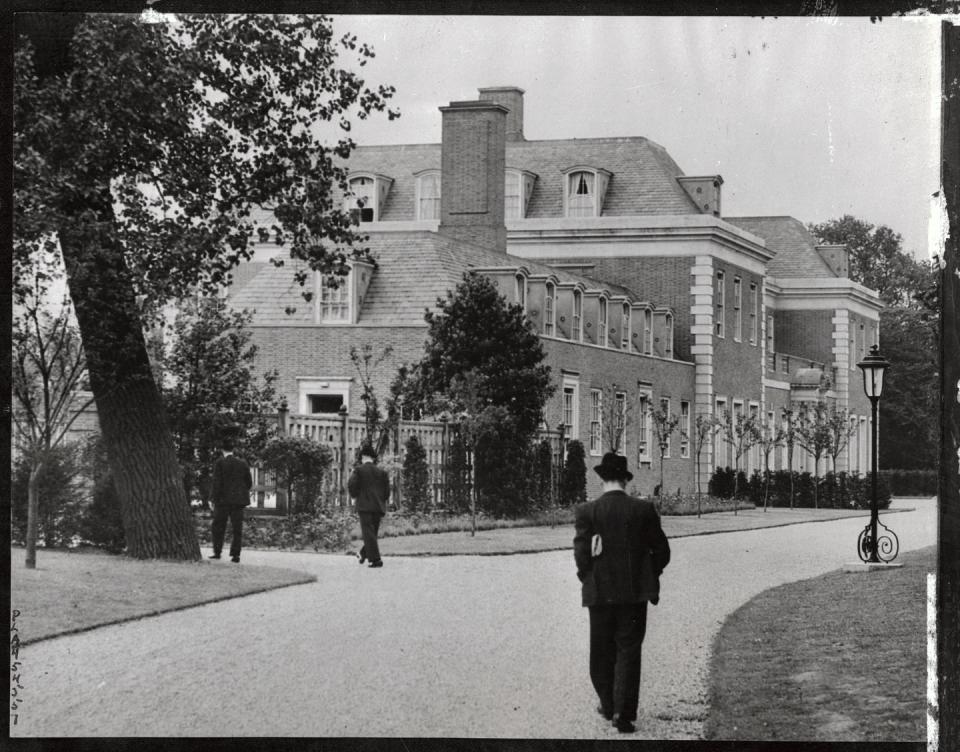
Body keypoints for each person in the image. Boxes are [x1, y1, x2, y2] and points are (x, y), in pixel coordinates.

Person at [573, 452, 671, 733]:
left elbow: (581, 556)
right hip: (633, 593)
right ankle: (623, 713)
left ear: (602, 479)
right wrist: (648, 574)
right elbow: (662, 551)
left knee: (601, 650)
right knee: (628, 649)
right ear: (625, 480)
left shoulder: (587, 511)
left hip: (600, 592)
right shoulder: (643, 510)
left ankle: (607, 702)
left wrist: (589, 578)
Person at [209, 438, 253, 563]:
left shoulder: (220, 463)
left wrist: (213, 498)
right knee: (237, 528)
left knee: (218, 526)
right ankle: (235, 555)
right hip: (238, 501)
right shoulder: (243, 463)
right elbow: (249, 483)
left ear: (222, 450)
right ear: (233, 450)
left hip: (222, 501)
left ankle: (217, 552)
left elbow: (216, 482)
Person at [348, 444, 390, 568]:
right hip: (378, 506)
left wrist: (355, 496)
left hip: (364, 506)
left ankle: (376, 560)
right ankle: (362, 554)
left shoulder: (359, 470)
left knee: (368, 533)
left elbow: (352, 485)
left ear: (364, 456)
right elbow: (387, 492)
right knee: (372, 533)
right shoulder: (382, 472)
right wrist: (381, 499)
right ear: (372, 457)